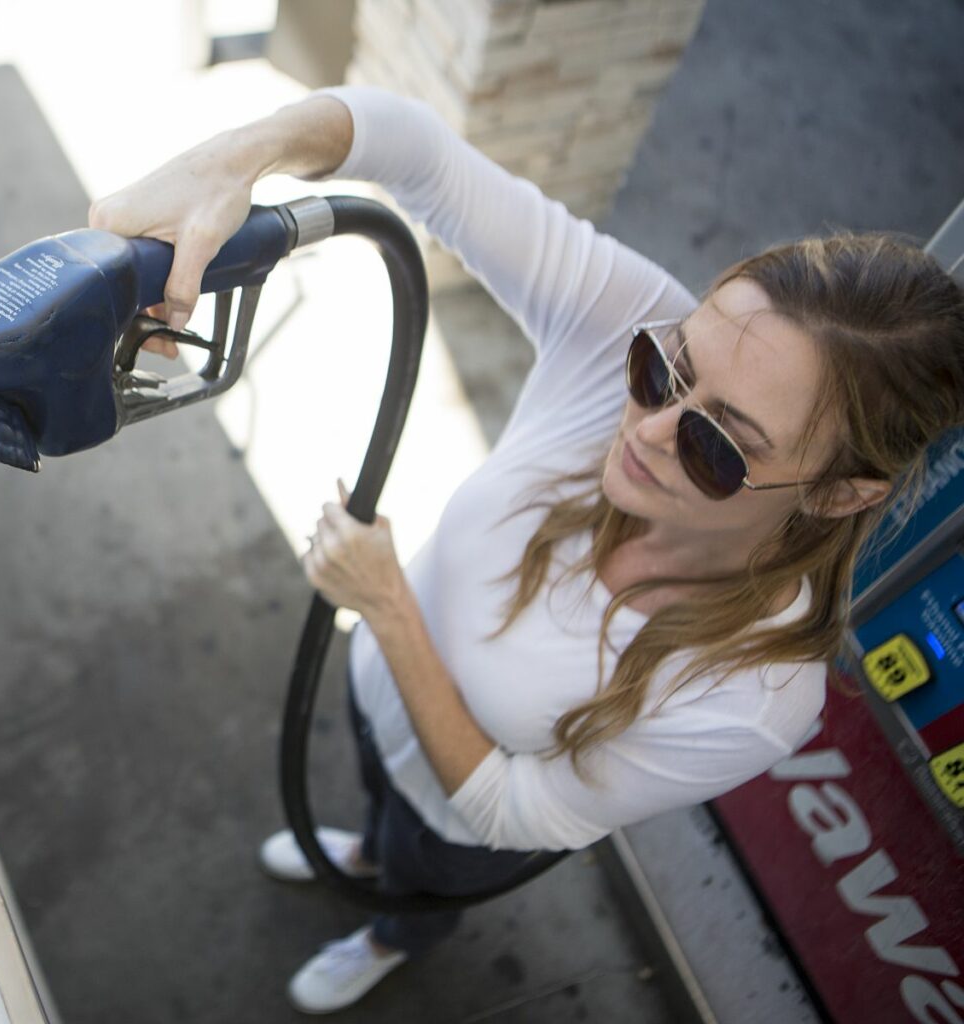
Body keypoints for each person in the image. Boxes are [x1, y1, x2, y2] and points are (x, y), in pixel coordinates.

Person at [90, 85, 964, 1014]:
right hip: (374, 693)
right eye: (664, 364)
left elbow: (515, 813)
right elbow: (417, 153)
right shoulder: (621, 317)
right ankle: (358, 851)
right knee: (379, 809)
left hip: (457, 822)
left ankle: (390, 932)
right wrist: (234, 158)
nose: (649, 429)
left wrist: (387, 608)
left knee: (418, 885)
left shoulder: (757, 696)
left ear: (837, 494)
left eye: (720, 447)